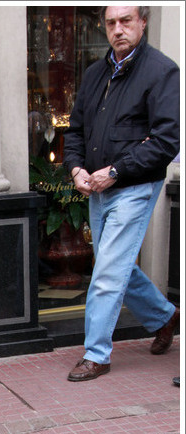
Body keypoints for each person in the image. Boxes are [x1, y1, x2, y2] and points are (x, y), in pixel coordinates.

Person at [63, 6, 180, 382]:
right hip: (97, 187)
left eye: (126, 21)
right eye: (111, 22)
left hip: (134, 186)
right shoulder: (95, 73)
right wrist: (76, 168)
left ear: (142, 22)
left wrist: (116, 171)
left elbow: (166, 141)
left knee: (108, 271)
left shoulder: (162, 71)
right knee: (117, 265)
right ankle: (165, 317)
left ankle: (97, 354)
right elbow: (75, 130)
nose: (118, 29)